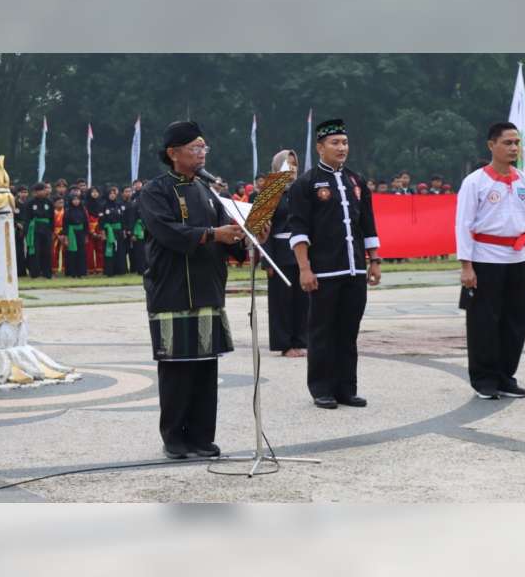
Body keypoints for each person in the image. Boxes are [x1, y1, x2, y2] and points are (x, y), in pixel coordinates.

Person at [140, 120, 268, 459]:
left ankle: (201, 436)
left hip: (208, 289)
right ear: (173, 153)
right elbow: (167, 232)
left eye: (204, 149)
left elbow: (229, 242)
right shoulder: (156, 190)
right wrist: (213, 234)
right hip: (172, 290)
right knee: (177, 367)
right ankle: (174, 438)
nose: (201, 155)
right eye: (195, 148)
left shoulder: (209, 192)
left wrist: (246, 238)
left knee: (205, 367)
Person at [288, 118, 382, 410]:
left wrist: (374, 260)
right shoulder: (306, 183)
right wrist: (304, 268)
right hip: (324, 271)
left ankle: (346, 388)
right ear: (320, 147)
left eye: (345, 142)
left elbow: (367, 223)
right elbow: (299, 229)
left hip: (354, 269)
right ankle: (321, 388)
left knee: (348, 330)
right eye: (335, 143)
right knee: (321, 330)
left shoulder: (356, 181)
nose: (342, 148)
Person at [456, 122, 525, 400]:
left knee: (515, 320)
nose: (514, 148)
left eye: (517, 143)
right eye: (507, 143)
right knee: (484, 321)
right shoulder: (475, 182)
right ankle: (484, 379)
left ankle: (506, 376)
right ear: (491, 145)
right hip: (485, 258)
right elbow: (463, 224)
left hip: (517, 257)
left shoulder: (521, 180)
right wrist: (466, 265)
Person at [264, 149, 308, 357]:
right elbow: (261, 231)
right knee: (281, 301)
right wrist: (267, 260)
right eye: (287, 164)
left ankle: (301, 340)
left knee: (303, 299)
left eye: (294, 165)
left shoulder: (303, 189)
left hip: (302, 252)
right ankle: (284, 343)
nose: (291, 169)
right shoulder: (269, 192)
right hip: (278, 255)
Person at [23, 182, 54, 279]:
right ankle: (35, 273)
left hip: (46, 229)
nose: (43, 192)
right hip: (35, 229)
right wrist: (26, 231)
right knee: (35, 251)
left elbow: (52, 218)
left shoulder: (49, 202)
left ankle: (47, 273)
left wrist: (51, 230)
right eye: (40, 190)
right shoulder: (30, 203)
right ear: (35, 192)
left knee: (47, 251)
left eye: (44, 189)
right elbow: (27, 218)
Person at [99, 185, 128, 276]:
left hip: (118, 231)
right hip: (109, 231)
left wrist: (123, 231)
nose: (112, 195)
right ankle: (109, 271)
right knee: (109, 251)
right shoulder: (103, 206)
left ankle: (120, 270)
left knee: (119, 251)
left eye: (113, 193)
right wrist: (103, 233)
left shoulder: (119, 205)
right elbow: (101, 221)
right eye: (110, 193)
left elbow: (123, 219)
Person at [63, 192, 89, 277]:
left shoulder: (83, 210)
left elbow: (86, 223)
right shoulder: (67, 211)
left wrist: (86, 235)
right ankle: (72, 272)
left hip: (81, 233)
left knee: (81, 252)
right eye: (74, 199)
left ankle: (81, 272)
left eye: (78, 199)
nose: (76, 201)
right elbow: (65, 225)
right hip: (71, 233)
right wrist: (66, 237)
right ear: (71, 201)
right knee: (72, 253)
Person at [84, 185, 105, 274]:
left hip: (99, 229)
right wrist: (91, 231)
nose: (95, 194)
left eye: (97, 192)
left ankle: (100, 269)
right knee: (89, 250)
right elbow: (85, 218)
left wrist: (102, 231)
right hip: (89, 230)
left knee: (100, 249)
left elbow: (103, 218)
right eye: (93, 192)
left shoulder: (101, 204)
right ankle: (90, 269)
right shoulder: (86, 205)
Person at [13, 186, 28, 277]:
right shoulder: (15, 203)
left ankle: (25, 270)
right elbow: (11, 216)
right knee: (19, 250)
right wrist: (16, 224)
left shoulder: (28, 204)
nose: (24, 194)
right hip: (18, 229)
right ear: (18, 193)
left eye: (26, 192)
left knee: (28, 250)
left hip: (27, 228)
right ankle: (19, 271)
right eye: (22, 192)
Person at [52, 197, 65, 275]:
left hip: (64, 233)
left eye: (62, 202)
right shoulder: (52, 212)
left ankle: (64, 269)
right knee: (54, 252)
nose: (61, 204)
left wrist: (63, 234)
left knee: (65, 252)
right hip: (54, 233)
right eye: (59, 202)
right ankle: (54, 270)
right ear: (55, 203)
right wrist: (56, 234)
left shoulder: (65, 212)